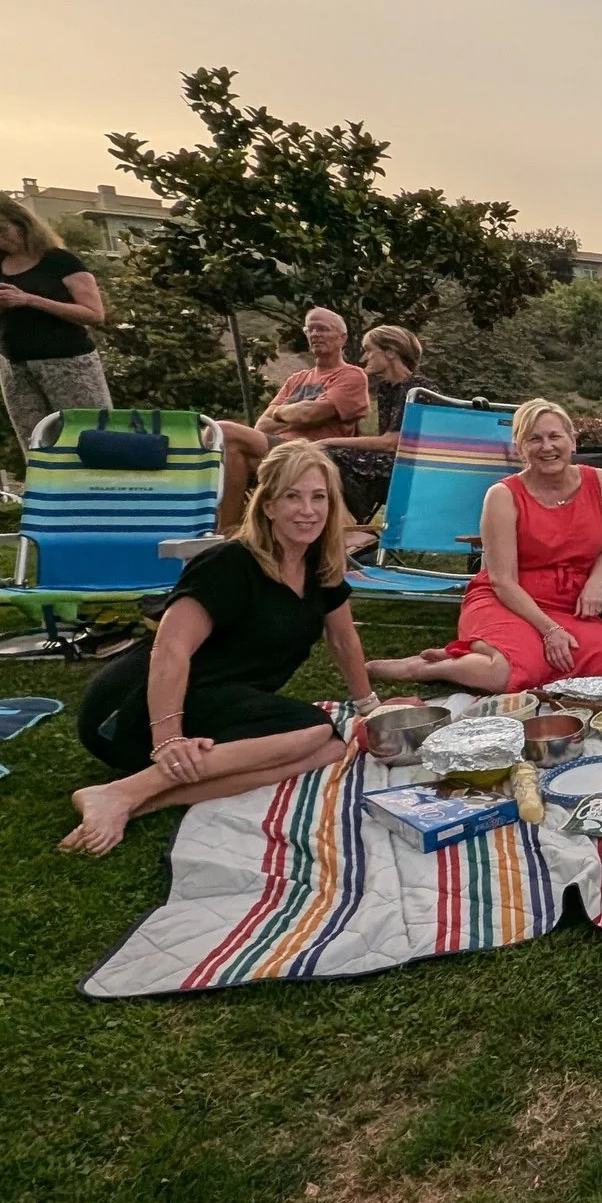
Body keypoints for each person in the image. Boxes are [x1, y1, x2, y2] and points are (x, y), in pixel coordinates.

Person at [64, 442, 375, 854]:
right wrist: (168, 740)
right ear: (268, 506)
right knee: (313, 728)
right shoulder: (229, 563)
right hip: (134, 707)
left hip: (217, 697)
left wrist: (369, 706)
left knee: (331, 748)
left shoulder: (320, 568)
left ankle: (133, 800)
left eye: (319, 497)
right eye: (292, 496)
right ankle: (133, 787)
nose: (308, 510)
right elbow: (170, 649)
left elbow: (342, 637)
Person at [366, 400, 602, 693]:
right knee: (503, 671)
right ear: (519, 448)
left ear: (572, 440)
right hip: (507, 599)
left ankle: (475, 656)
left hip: (566, 604)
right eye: (534, 439)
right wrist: (550, 630)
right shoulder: (503, 495)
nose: (547, 447)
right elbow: (502, 581)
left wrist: (594, 583)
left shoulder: (600, 483)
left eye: (555, 436)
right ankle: (427, 668)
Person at [0, 190, 112, 451]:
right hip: (14, 366)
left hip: (68, 364)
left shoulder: (60, 261)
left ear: (20, 221)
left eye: (0, 229)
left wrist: (28, 299)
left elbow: (94, 314)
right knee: (36, 444)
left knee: (90, 439)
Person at [216, 309, 372, 534]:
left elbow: (308, 414)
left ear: (342, 338)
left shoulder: (352, 376)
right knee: (226, 450)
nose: (315, 334)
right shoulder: (297, 379)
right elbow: (263, 425)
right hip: (279, 455)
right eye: (310, 329)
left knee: (224, 431)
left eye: (323, 329)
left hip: (316, 456)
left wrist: (281, 412)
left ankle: (228, 531)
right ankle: (232, 532)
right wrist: (297, 414)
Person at [320, 323, 423, 525]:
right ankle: (348, 524)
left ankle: (351, 526)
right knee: (324, 458)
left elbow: (391, 443)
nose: (364, 358)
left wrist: (328, 441)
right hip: (395, 465)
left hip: (413, 471)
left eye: (368, 350)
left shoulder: (417, 388)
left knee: (330, 457)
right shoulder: (388, 389)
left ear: (391, 352)